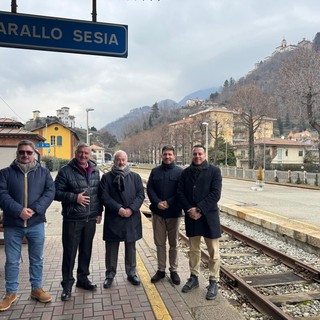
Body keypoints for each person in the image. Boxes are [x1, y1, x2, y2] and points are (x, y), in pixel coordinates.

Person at [0, 140, 55, 311]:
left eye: (29, 152)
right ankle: (10, 293)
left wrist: (34, 209)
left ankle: (36, 289)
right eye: (22, 152)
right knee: (12, 261)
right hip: (13, 224)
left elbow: (50, 192)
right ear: (17, 153)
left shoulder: (44, 173)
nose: (25, 155)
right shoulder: (5, 173)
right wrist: (19, 211)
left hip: (36, 223)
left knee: (37, 259)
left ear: (34, 154)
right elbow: (1, 194)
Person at [54, 143, 102, 301]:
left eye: (86, 153)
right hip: (72, 219)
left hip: (90, 219)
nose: (83, 156)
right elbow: (55, 193)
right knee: (70, 253)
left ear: (90, 154)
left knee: (86, 251)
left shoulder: (95, 171)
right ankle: (67, 285)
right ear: (75, 153)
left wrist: (99, 212)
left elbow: (98, 193)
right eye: (80, 153)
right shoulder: (65, 171)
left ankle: (83, 279)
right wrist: (75, 198)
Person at [177, 144, 222, 300]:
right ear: (192, 155)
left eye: (200, 154)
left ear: (205, 155)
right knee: (194, 250)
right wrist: (190, 209)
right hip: (192, 217)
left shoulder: (215, 171)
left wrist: (199, 209)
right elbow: (180, 193)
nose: (197, 156)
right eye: (195, 154)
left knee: (213, 252)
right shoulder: (186, 173)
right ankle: (194, 277)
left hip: (209, 217)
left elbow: (215, 194)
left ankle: (214, 281)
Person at [99, 150, 144, 289]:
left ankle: (131, 273)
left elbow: (140, 195)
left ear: (127, 160)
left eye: (123, 159)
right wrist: (119, 209)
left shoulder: (135, 177)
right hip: (114, 216)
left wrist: (131, 209)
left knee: (131, 246)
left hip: (131, 216)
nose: (121, 162)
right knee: (111, 247)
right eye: (118, 159)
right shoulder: (106, 177)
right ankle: (110, 274)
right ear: (114, 161)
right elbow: (104, 197)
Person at [147, 145, 183, 285]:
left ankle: (173, 270)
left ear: (174, 156)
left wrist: (168, 202)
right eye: (165, 154)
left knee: (174, 243)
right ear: (161, 156)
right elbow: (149, 188)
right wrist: (157, 202)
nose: (167, 157)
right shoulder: (155, 171)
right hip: (158, 213)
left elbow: (181, 191)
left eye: (170, 154)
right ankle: (161, 270)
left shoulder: (180, 172)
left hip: (174, 213)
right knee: (159, 243)